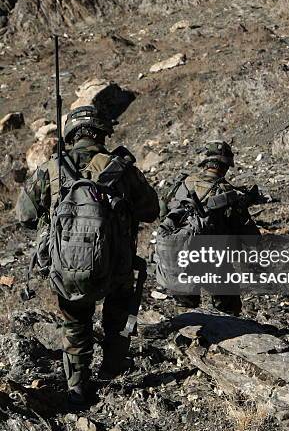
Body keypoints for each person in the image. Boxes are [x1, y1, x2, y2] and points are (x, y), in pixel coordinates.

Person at [16, 105, 159, 407]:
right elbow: (151, 211)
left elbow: (24, 215)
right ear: (103, 133)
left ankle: (78, 387)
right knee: (117, 321)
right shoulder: (123, 169)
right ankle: (112, 373)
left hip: (68, 267)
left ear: (70, 134)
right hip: (118, 267)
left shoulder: (52, 168)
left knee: (76, 325)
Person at [159, 140, 260, 316]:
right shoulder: (227, 193)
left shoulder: (183, 183)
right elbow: (249, 235)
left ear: (206, 163)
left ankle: (186, 334)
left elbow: (161, 212)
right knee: (229, 306)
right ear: (225, 166)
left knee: (185, 308)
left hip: (177, 254)